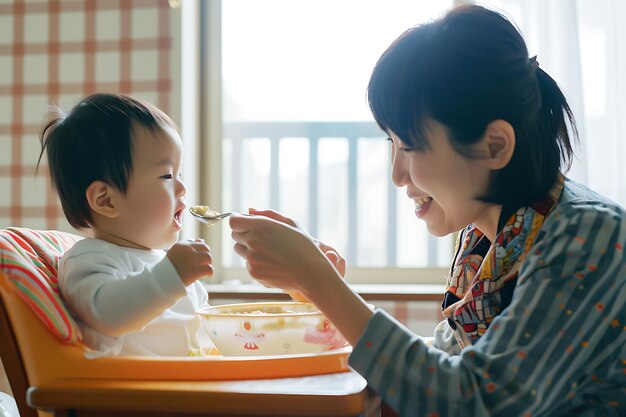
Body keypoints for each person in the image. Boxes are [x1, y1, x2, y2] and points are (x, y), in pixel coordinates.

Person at [229, 5, 626, 416]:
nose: (398, 175)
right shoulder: (492, 237)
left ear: (494, 146)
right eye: (391, 144)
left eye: (411, 146)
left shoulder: (589, 235)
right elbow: (441, 370)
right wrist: (316, 287)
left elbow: (472, 402)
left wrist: (320, 280)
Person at [37, 93, 214, 358]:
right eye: (166, 175)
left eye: (179, 173)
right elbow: (109, 315)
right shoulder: (88, 260)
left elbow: (204, 337)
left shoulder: (167, 264)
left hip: (183, 390)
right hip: (130, 397)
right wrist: (173, 274)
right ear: (106, 200)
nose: (182, 187)